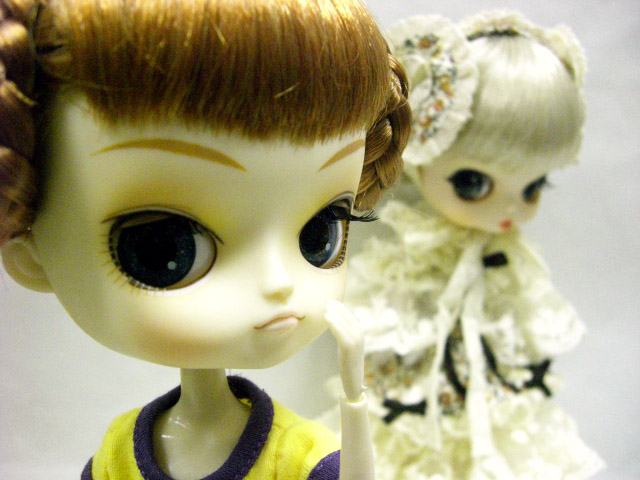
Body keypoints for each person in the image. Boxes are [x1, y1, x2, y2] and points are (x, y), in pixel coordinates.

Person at [0, 0, 410, 478]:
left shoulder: (298, 456)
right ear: (30, 257)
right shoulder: (120, 452)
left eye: (320, 232)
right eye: (166, 248)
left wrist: (355, 398)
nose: (278, 283)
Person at [342, 11, 604, 480]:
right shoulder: (420, 248)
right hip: (422, 396)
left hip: (499, 388)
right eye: (473, 183)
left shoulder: (509, 252)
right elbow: (391, 314)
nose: (510, 209)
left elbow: (523, 310)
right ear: (422, 155)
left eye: (534, 186)